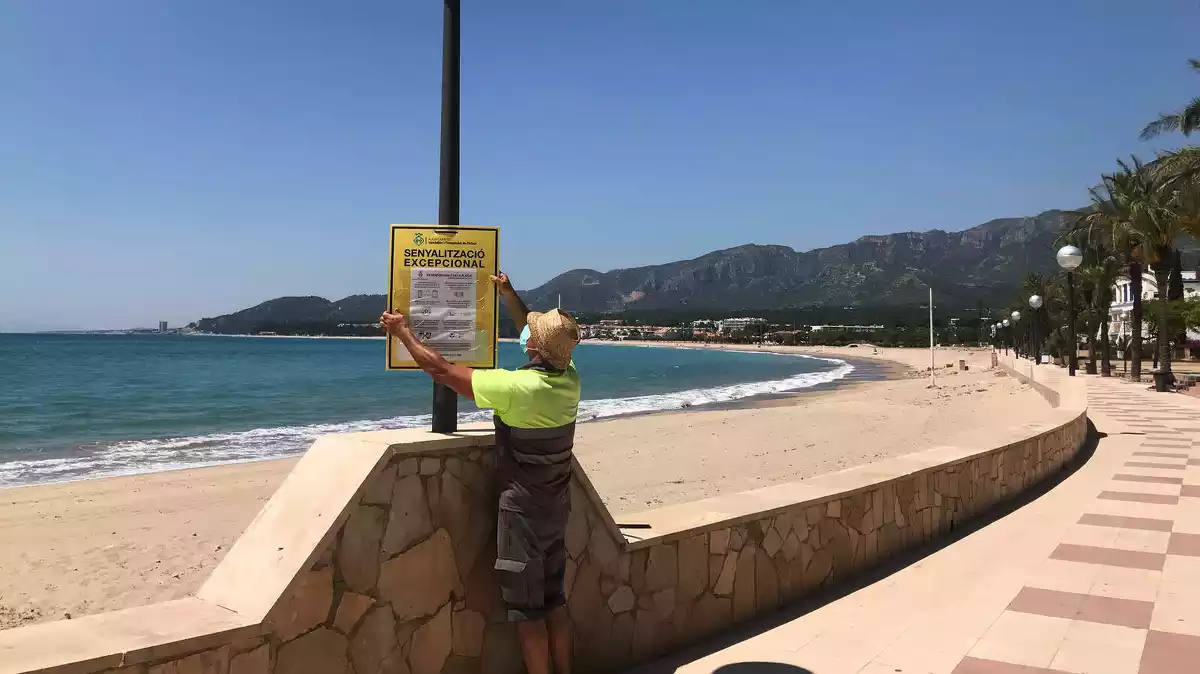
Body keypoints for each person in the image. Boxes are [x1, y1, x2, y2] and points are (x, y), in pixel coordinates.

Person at [381, 272, 581, 674]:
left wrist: (403, 334)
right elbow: (532, 330)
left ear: (535, 349)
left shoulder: (515, 388)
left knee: (528, 612)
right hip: (556, 508)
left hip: (523, 514)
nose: (526, 335)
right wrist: (508, 294)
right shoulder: (569, 378)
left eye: (532, 336)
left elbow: (441, 370)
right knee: (553, 602)